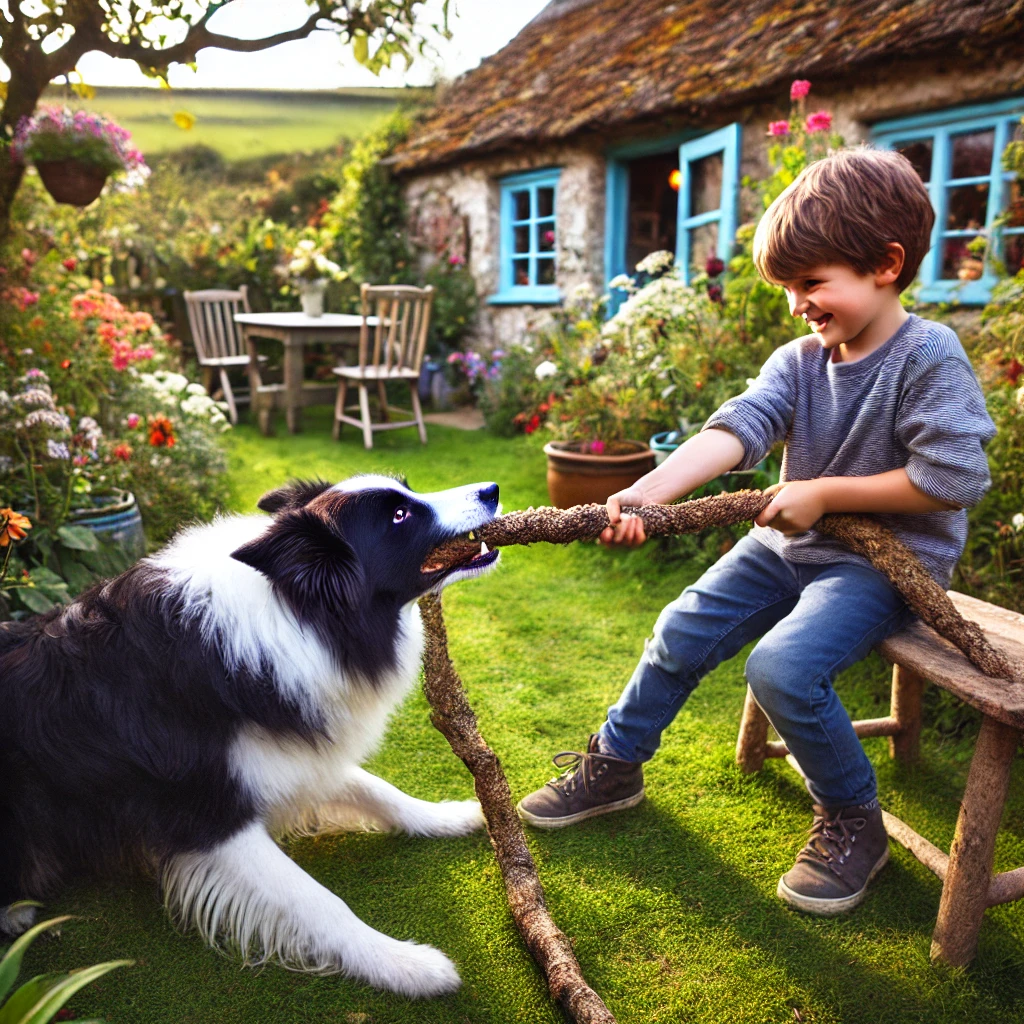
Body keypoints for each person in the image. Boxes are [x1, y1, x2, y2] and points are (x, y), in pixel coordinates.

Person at [516, 148, 996, 916]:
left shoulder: (928, 355)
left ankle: (853, 819)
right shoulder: (800, 360)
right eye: (789, 288)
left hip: (883, 566)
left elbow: (953, 480)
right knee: (679, 628)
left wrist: (823, 492)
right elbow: (738, 429)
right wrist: (647, 490)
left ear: (886, 263)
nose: (798, 303)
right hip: (788, 548)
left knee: (781, 668)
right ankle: (615, 764)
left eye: (812, 283)